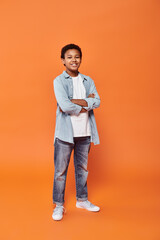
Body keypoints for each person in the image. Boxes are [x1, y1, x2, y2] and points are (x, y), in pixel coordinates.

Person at [52, 43, 101, 221]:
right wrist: (86, 102)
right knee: (60, 171)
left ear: (81, 59)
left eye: (77, 56)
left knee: (82, 169)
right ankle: (58, 205)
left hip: (85, 132)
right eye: (70, 57)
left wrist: (75, 101)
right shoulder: (58, 81)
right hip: (65, 134)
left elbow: (97, 101)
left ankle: (82, 200)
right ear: (63, 60)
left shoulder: (88, 81)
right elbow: (64, 106)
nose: (74, 60)